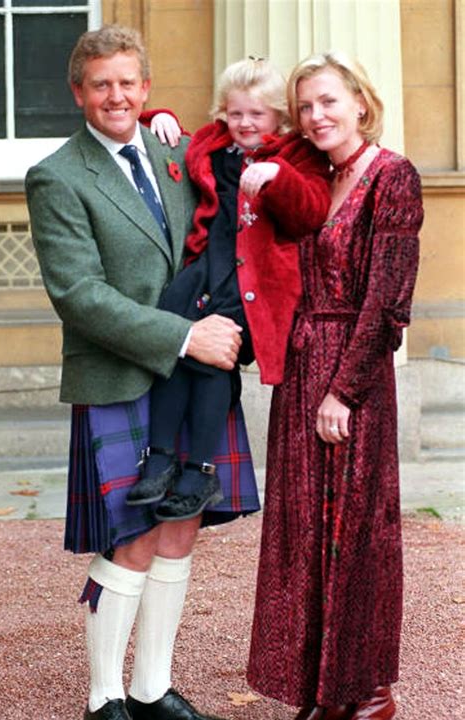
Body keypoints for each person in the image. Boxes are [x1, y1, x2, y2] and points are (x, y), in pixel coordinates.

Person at [25, 25, 259, 720]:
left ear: (147, 89)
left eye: (128, 83)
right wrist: (185, 336)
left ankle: (153, 688)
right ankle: (104, 700)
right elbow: (77, 294)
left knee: (181, 524)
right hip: (124, 370)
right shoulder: (57, 176)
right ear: (78, 94)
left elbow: (242, 163)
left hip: (196, 378)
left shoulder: (173, 150)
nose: (116, 96)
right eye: (101, 85)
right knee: (129, 535)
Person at [246, 52, 424, 720]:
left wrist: (342, 392)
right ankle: (320, 693)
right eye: (306, 106)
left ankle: (372, 694)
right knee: (302, 538)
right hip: (298, 367)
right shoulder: (313, 177)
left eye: (328, 102)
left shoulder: (393, 176)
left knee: (358, 538)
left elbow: (387, 299)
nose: (316, 116)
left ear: (358, 101)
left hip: (353, 377)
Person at [125, 57, 331, 522]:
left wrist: (280, 179)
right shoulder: (215, 144)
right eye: (235, 113)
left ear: (279, 116)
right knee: (177, 340)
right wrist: (159, 118)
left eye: (256, 115)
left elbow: (311, 210)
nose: (244, 124)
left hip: (254, 285)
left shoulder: (297, 157)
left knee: (216, 354)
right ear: (223, 113)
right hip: (206, 268)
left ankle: (199, 470)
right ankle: (159, 458)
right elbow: (155, 126)